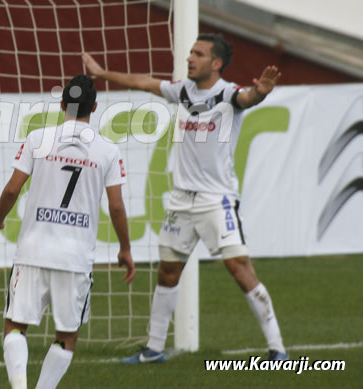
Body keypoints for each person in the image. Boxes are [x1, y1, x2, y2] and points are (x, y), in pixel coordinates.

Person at [82, 33, 288, 363]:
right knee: (167, 273)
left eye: (198, 54)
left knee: (239, 268)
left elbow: (247, 98)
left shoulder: (227, 93)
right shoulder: (182, 90)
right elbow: (144, 82)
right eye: (191, 52)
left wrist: (260, 93)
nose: (190, 58)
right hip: (180, 201)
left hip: (216, 201)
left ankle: (278, 349)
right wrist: (101, 73)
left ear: (216, 63)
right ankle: (154, 350)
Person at [0, 75, 135, 389]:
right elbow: (117, 206)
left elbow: (12, 189)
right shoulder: (108, 150)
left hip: (32, 251)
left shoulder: (37, 139)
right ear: (95, 107)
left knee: (15, 326)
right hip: (75, 257)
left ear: (63, 104)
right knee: (66, 336)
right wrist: (125, 248)